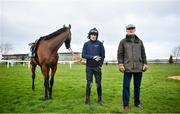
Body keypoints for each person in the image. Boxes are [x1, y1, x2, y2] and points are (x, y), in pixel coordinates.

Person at [117, 24, 148, 110]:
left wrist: (145, 63)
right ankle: (126, 105)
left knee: (137, 87)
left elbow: (143, 54)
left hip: (139, 68)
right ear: (126, 30)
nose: (130, 30)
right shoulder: (122, 42)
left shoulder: (140, 41)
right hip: (127, 68)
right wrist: (120, 64)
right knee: (126, 87)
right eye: (128, 29)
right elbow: (120, 54)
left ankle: (137, 103)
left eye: (132, 29)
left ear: (135, 30)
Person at [82, 28, 105, 105]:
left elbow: (103, 55)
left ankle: (100, 99)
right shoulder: (86, 44)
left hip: (97, 68)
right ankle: (87, 100)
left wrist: (100, 65)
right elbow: (83, 55)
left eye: (95, 35)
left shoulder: (100, 44)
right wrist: (93, 57)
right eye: (92, 34)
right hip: (89, 67)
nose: (93, 36)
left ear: (97, 36)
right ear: (89, 35)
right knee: (89, 83)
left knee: (98, 83)